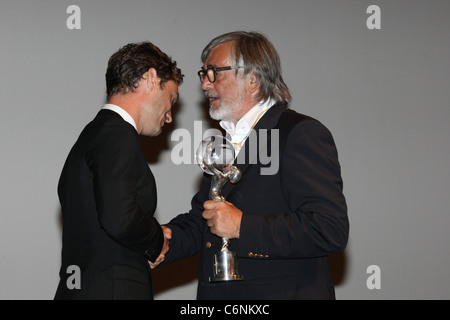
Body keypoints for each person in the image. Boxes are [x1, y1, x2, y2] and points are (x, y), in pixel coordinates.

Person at [155, 31, 349, 300]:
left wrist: (242, 226)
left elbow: (328, 229)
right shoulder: (224, 143)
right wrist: (161, 240)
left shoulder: (299, 133)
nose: (205, 85)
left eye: (215, 73)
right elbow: (205, 221)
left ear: (253, 79)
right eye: (204, 74)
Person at [54, 42, 183, 300]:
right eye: (171, 100)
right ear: (150, 78)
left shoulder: (93, 134)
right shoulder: (117, 134)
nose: (169, 117)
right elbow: (119, 218)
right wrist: (156, 239)